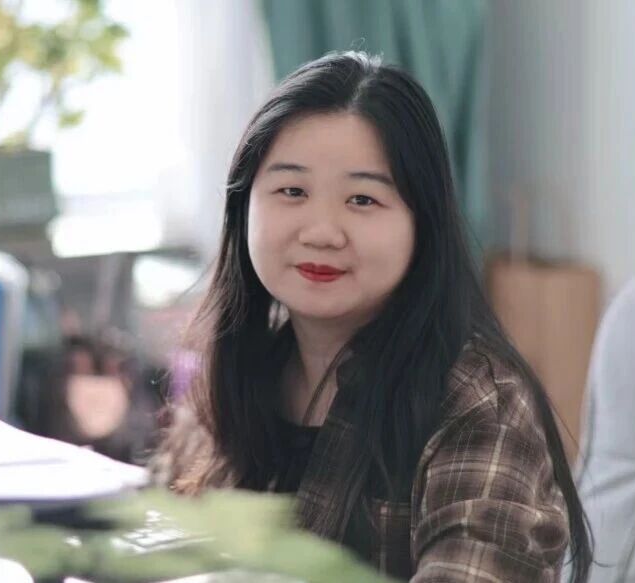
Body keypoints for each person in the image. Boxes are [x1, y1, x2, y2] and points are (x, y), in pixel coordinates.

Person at [153, 51, 592, 582]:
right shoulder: (238, 371)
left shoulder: (476, 402)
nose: (321, 231)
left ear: (422, 225)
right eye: (292, 191)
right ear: (243, 206)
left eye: (362, 199)